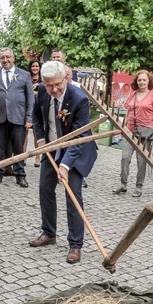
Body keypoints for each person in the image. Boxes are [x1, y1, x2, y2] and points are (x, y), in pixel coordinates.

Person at [30, 61, 97, 264]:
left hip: (76, 152)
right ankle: (49, 232)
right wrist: (40, 139)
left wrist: (65, 166)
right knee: (45, 188)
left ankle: (75, 245)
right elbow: (36, 116)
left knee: (72, 195)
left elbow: (79, 137)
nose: (54, 89)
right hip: (51, 147)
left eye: (57, 84)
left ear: (65, 78)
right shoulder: (42, 91)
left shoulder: (79, 99)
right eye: (49, 85)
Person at [0, 47, 34, 187]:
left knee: (18, 148)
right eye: (2, 58)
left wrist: (29, 118)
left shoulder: (24, 75)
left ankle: (20, 175)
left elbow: (30, 99)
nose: (5, 60)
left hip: (18, 118)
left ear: (13, 58)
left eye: (8, 57)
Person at [112, 70, 153, 198]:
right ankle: (123, 185)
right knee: (125, 158)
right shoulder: (133, 94)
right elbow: (128, 112)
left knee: (141, 161)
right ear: (136, 81)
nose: (142, 82)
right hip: (130, 131)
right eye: (139, 80)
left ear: (148, 81)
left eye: (144, 80)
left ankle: (139, 187)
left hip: (145, 133)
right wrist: (122, 127)